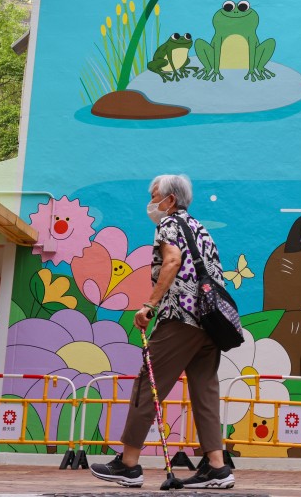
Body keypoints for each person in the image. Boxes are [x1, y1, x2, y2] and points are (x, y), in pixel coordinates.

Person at [91, 174, 234, 489]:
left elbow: (172, 261)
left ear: (170, 200)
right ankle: (217, 467)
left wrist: (149, 306)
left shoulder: (168, 225)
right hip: (211, 324)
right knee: (204, 392)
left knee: (147, 384)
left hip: (181, 319)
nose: (151, 202)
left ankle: (128, 464)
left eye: (154, 195)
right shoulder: (201, 229)